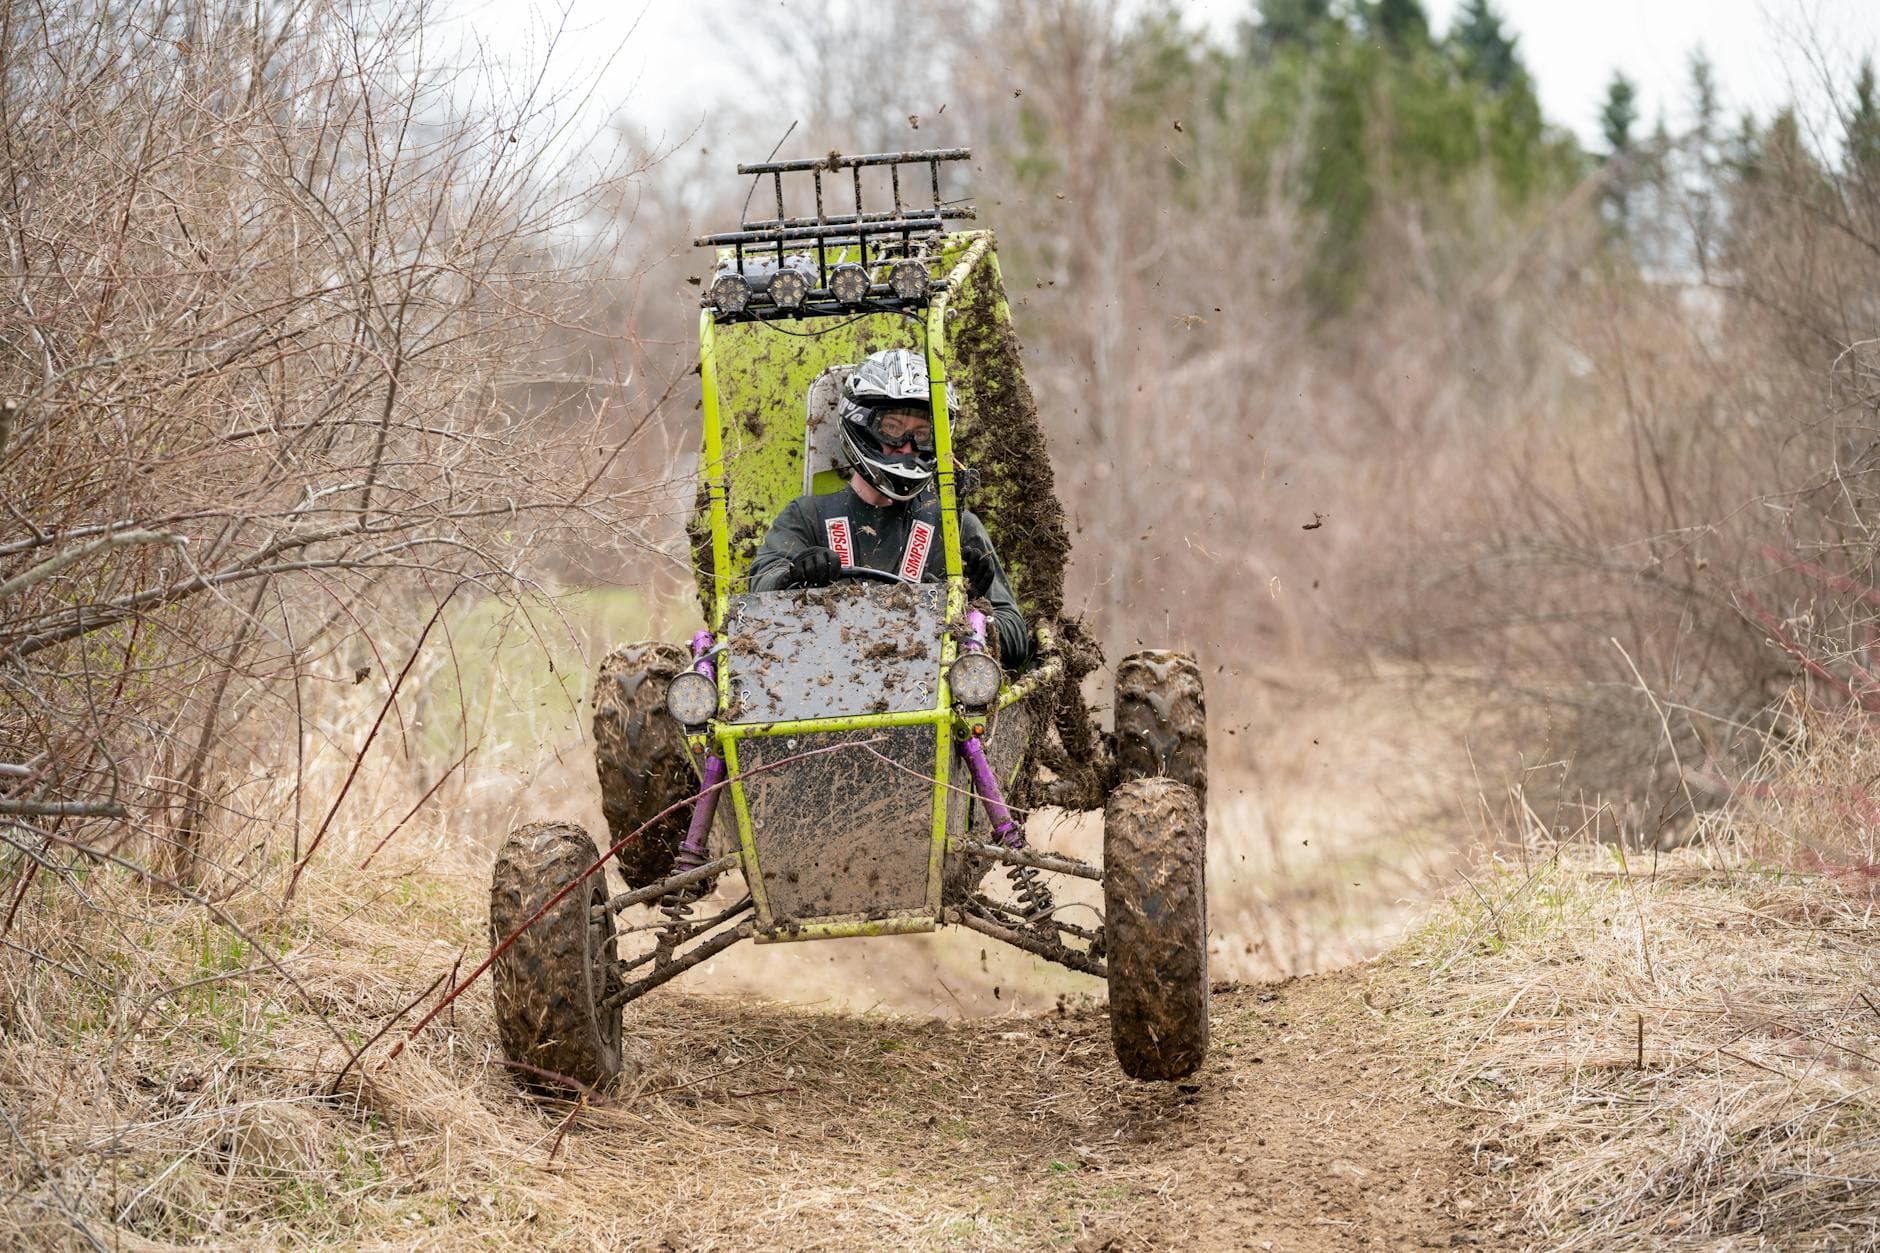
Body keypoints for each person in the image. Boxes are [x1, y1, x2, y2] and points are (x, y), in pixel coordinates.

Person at [747, 348, 1029, 668]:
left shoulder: (954, 527)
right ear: (862, 425)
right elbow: (757, 593)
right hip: (822, 688)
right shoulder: (807, 516)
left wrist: (972, 610)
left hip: (928, 698)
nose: (907, 446)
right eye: (893, 428)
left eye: (921, 434)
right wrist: (794, 579)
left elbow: (1017, 635)